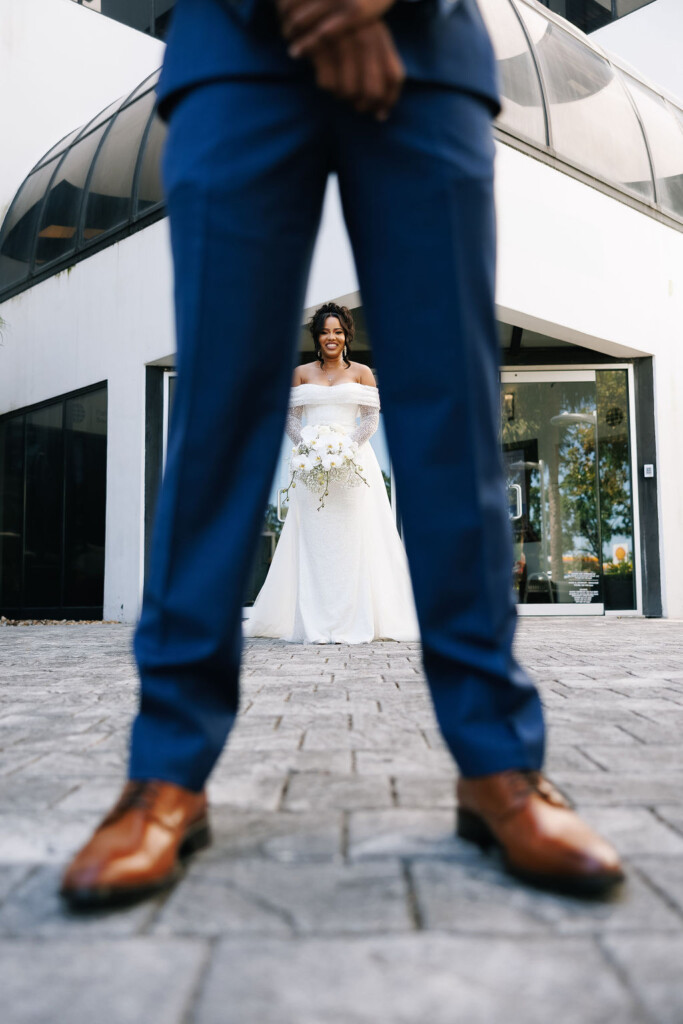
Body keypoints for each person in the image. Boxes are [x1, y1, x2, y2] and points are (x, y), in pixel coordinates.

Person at [60, 0, 624, 907]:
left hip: (425, 49)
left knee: (454, 418)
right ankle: (165, 770)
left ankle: (498, 764)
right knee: (217, 413)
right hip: (237, 48)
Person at [244, 302, 419, 643]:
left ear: (346, 335)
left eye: (337, 331)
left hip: (353, 466)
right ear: (317, 336)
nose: (331, 337)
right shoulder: (301, 373)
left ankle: (355, 618)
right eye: (325, 331)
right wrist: (311, 448)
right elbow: (291, 419)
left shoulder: (363, 373)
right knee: (315, 541)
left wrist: (345, 449)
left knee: (354, 538)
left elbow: (370, 419)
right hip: (311, 469)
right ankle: (315, 620)